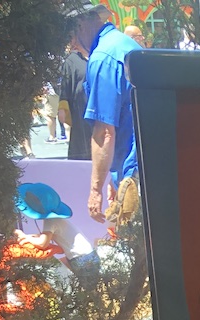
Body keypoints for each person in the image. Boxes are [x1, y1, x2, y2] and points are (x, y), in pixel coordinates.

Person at [79, 2, 143, 222]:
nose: (70, 43)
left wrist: (95, 190)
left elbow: (104, 132)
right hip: (142, 166)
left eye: (69, 34)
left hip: (136, 173)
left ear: (81, 24)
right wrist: (112, 176)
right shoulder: (120, 43)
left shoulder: (102, 57)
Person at [14, 182, 100, 287]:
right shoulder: (56, 219)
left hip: (82, 259)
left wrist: (26, 237)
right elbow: (45, 236)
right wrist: (29, 237)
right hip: (88, 255)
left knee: (86, 289)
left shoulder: (50, 221)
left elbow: (43, 243)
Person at [58, 22, 92, 160]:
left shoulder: (97, 56)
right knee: (81, 147)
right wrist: (62, 108)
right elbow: (65, 86)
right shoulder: (72, 60)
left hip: (97, 110)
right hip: (80, 112)